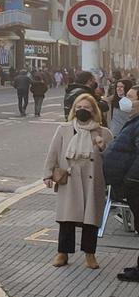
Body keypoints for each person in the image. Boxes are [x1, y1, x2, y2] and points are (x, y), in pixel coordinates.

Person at [45, 94, 113, 269]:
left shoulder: (103, 132)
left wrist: (102, 147)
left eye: (87, 107)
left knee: (91, 220)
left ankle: (90, 255)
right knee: (66, 218)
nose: (82, 110)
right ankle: (63, 253)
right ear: (74, 109)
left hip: (92, 182)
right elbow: (53, 152)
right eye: (79, 107)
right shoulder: (64, 128)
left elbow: (111, 158)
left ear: (94, 110)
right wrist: (48, 174)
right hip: (69, 179)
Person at [103, 88, 139, 280]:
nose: (125, 100)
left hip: (135, 185)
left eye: (131, 97)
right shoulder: (134, 120)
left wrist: (129, 181)